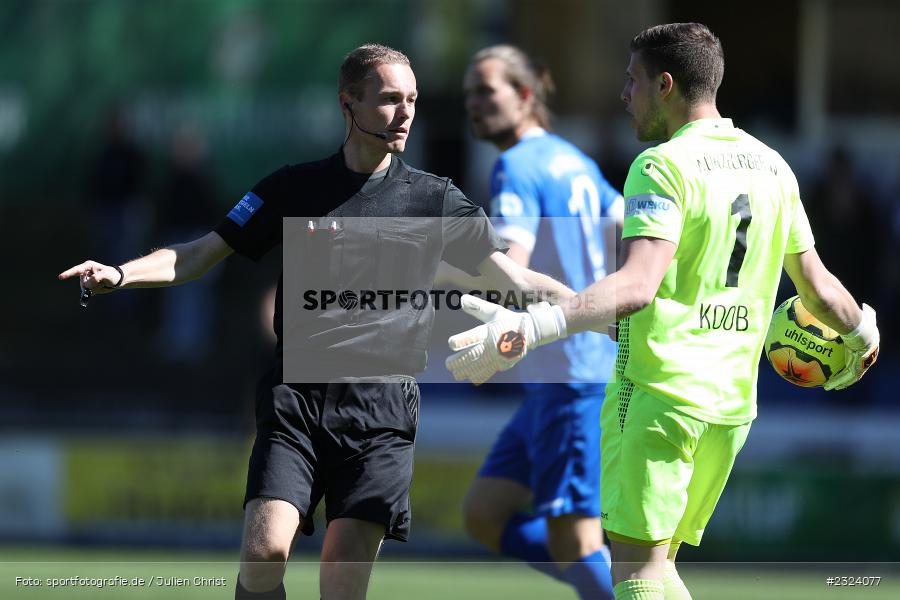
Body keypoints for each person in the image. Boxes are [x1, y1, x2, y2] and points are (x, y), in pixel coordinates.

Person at [60, 44, 573, 600]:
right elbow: (201, 253)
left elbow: (516, 282)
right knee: (262, 558)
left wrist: (601, 310)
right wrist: (120, 273)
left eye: (412, 101)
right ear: (347, 104)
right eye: (389, 100)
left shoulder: (434, 198)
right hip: (294, 404)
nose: (405, 113)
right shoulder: (291, 188)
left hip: (381, 412)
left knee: (341, 583)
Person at [445, 23, 879, 600]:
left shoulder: (661, 166)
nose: (624, 94)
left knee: (635, 574)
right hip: (729, 410)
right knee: (657, 566)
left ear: (666, 85)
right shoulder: (774, 166)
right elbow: (819, 287)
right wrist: (862, 333)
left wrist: (530, 327)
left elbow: (636, 287)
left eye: (632, 81)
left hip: (658, 396)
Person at [448, 45, 622, 599]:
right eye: (469, 94)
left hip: (573, 374)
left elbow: (509, 268)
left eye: (486, 91)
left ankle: (619, 588)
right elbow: (625, 226)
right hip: (567, 372)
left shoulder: (516, 167)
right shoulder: (576, 161)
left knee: (574, 540)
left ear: (524, 96)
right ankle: (610, 583)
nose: (474, 104)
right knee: (484, 513)